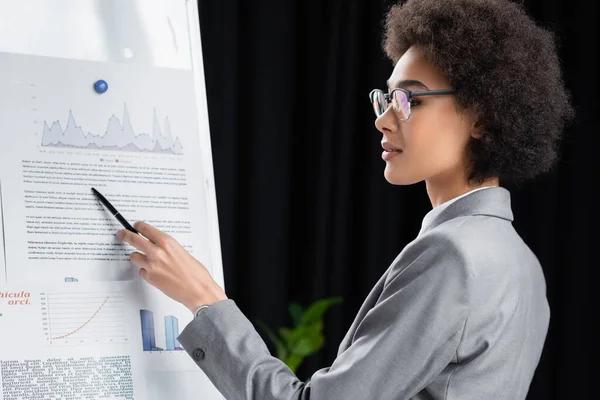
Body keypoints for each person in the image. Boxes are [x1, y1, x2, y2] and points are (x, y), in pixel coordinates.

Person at [118, 0, 574, 398]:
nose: (384, 120)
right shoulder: (521, 261)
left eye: (409, 100)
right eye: (385, 99)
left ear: (483, 116)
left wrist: (204, 299)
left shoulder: (452, 255)